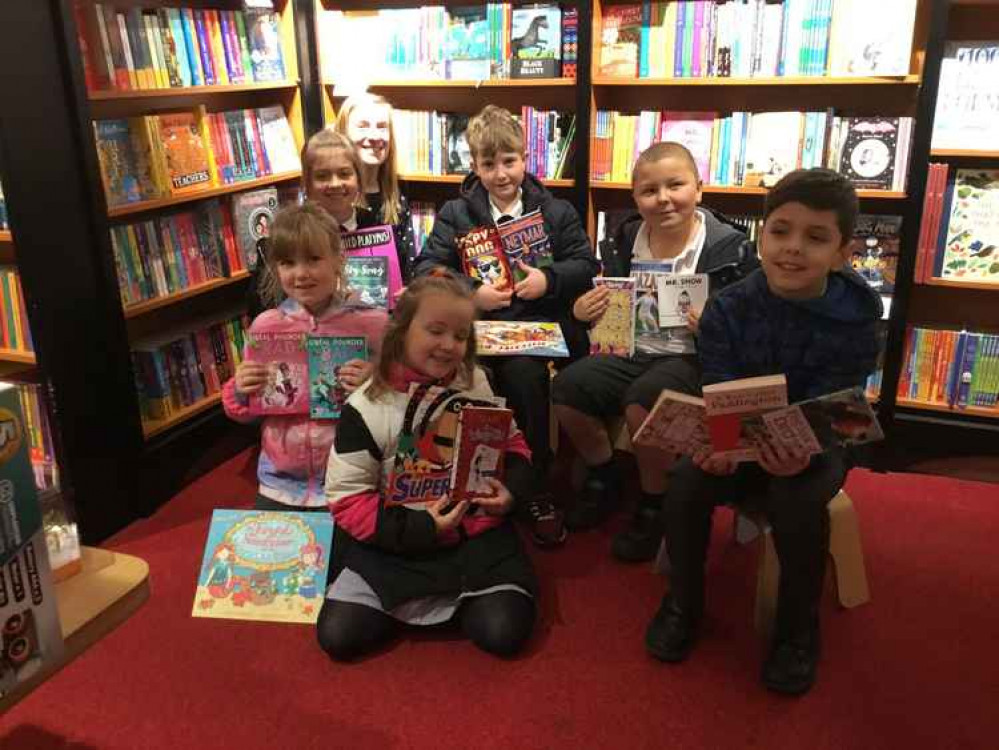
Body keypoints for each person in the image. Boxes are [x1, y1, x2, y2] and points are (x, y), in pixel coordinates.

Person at [644, 168, 883, 696]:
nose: (793, 249)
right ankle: (683, 602)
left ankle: (797, 630)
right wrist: (720, 444)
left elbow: (838, 404)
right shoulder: (730, 306)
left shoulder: (858, 317)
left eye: (816, 238)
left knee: (797, 502)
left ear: (842, 252)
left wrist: (801, 448)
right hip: (739, 439)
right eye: (781, 231)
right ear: (762, 235)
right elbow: (720, 381)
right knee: (686, 480)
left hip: (815, 447)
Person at [317, 273, 538, 660]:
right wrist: (422, 528)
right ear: (401, 331)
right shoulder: (365, 407)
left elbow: (514, 444)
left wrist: (510, 492)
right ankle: (425, 600)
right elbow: (348, 499)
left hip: (475, 536)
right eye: (435, 331)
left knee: (504, 632)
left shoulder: (478, 383)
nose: (449, 345)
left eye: (460, 335)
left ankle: (466, 597)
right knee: (338, 637)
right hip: (397, 540)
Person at [552, 142, 756, 560]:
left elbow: (748, 329)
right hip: (631, 349)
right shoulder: (626, 237)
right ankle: (604, 475)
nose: (663, 198)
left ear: (699, 189)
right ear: (635, 198)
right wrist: (582, 311)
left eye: (675, 185)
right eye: (649, 190)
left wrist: (713, 327)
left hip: (692, 358)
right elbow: (608, 304)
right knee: (568, 389)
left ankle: (653, 501)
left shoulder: (728, 247)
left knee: (643, 402)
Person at [416, 105, 599, 547]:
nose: (501, 174)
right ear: (474, 165)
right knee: (457, 378)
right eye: (488, 164)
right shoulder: (457, 214)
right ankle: (454, 479)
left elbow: (586, 265)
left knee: (524, 377)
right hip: (475, 331)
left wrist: (548, 279)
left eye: (510, 161)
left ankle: (532, 484)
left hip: (533, 329)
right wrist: (470, 291)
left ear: (525, 157)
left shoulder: (555, 212)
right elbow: (426, 268)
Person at [222, 203, 389, 511]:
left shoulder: (373, 323)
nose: (301, 274)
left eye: (313, 259)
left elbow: (400, 397)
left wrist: (373, 383)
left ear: (339, 260)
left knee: (350, 558)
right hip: (279, 482)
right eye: (287, 262)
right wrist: (242, 390)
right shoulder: (266, 326)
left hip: (351, 480)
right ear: (276, 268)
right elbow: (250, 412)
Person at [335, 94, 417, 280]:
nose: (374, 136)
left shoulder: (397, 197)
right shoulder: (330, 197)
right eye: (362, 126)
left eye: (381, 127)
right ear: (343, 134)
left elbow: (409, 268)